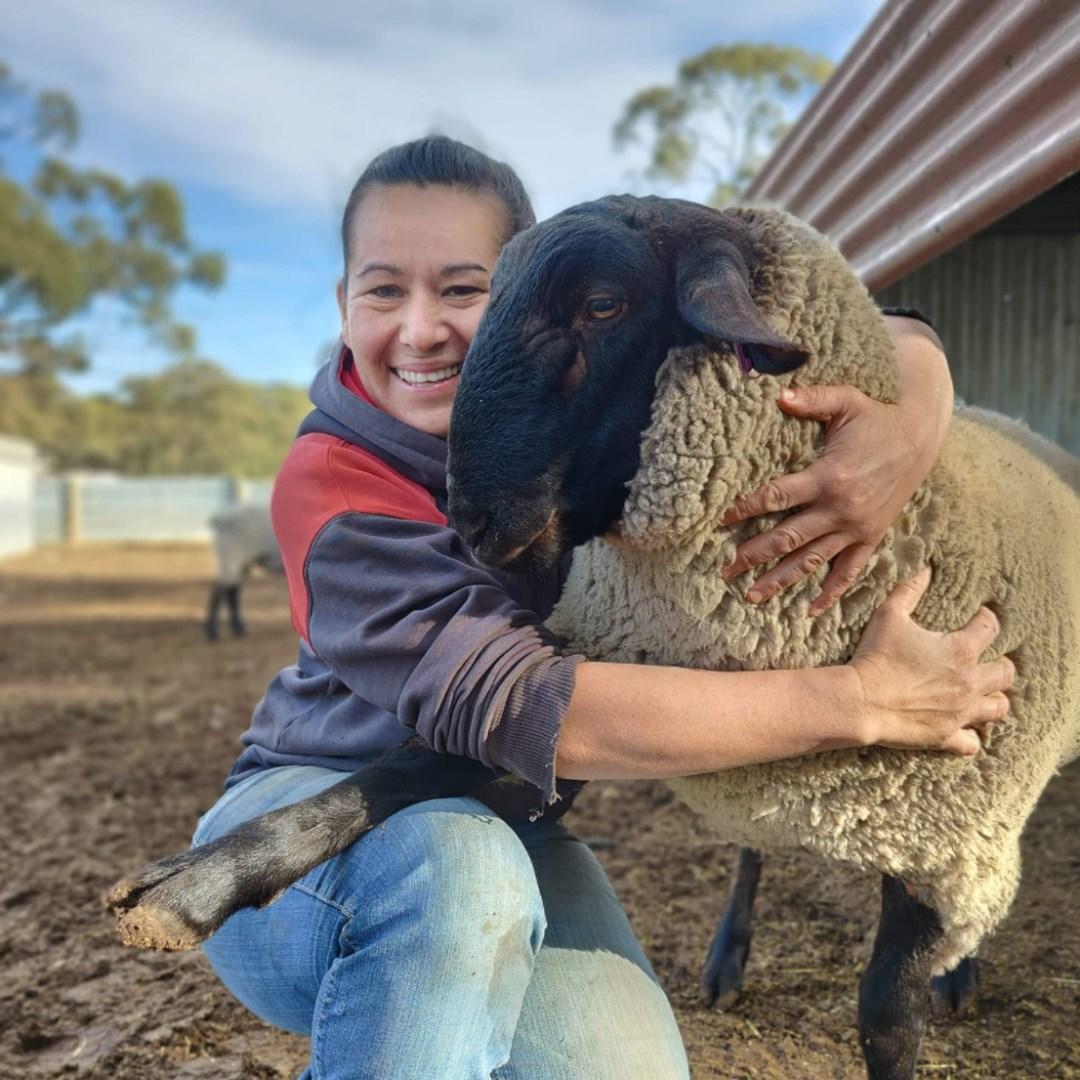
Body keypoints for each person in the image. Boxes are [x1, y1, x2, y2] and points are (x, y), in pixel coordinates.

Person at [192, 136, 1014, 1080]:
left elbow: (831, 331)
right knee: (453, 880)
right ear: (344, 307)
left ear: (521, 293)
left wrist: (913, 396)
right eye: (384, 291)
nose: (421, 329)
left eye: (463, 291)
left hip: (506, 822)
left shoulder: (587, 432)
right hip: (303, 839)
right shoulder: (333, 483)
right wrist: (866, 701)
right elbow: (525, 705)